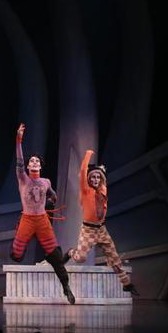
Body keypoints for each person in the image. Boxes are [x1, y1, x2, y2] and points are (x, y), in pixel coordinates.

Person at [10, 123, 75, 304]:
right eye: (31, 161)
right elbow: (19, 160)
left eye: (36, 161)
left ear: (40, 165)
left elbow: (52, 194)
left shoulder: (45, 181)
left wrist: (52, 199)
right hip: (27, 219)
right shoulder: (23, 178)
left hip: (42, 220)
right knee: (15, 255)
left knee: (55, 259)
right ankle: (62, 255)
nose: (34, 163)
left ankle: (66, 287)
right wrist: (19, 139)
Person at [62, 149, 140, 296]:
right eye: (93, 177)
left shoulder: (103, 189)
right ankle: (70, 252)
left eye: (98, 177)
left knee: (114, 257)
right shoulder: (86, 190)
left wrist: (100, 171)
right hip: (88, 230)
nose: (95, 179)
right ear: (89, 179)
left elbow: (101, 188)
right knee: (80, 258)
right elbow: (83, 171)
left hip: (102, 230)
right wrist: (88, 154)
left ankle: (126, 284)